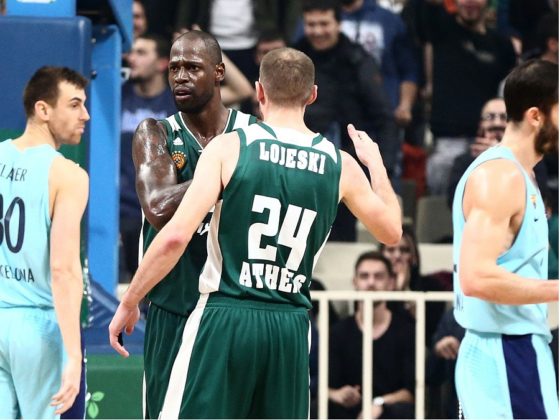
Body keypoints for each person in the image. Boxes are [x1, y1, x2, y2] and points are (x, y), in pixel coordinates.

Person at [109, 47, 402, 418]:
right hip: (290, 323)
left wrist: (130, 299)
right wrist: (376, 166)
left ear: (260, 91)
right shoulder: (338, 163)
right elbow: (391, 232)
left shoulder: (230, 147)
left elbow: (174, 236)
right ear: (312, 95)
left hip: (227, 313)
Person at [125, 30, 257, 419]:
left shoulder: (253, 134)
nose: (180, 77)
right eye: (175, 68)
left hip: (233, 308)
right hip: (174, 306)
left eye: (193, 68)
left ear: (219, 73)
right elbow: (157, 206)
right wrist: (225, 175)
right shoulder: (156, 132)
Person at [452, 59, 559, 419]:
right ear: (536, 116)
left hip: (510, 349)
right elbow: (477, 278)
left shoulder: (521, 174)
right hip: (507, 352)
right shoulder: (500, 177)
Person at [0, 67, 89, 418]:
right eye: (75, 104)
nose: (85, 115)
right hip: (38, 328)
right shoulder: (67, 175)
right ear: (43, 109)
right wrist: (73, 355)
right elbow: (63, 269)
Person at [294, 0, 399, 241]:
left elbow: (384, 117)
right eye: (311, 24)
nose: (317, 31)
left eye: (324, 23)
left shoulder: (358, 59)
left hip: (346, 168)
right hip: (298, 166)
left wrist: (384, 170)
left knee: (341, 240)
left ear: (338, 24)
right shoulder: (295, 57)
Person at [423, 0, 516, 195]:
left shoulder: (502, 44)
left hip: (491, 138)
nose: (469, 2)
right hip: (448, 139)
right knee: (441, 206)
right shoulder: (440, 27)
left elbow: (511, 92)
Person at [328, 252, 415, 419]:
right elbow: (325, 386)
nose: (371, 282)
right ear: (355, 282)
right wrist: (338, 394)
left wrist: (379, 403)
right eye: (364, 276)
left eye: (379, 276)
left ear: (391, 283)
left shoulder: (406, 331)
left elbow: (411, 392)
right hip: (348, 412)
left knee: (403, 412)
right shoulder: (338, 332)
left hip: (388, 410)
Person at [120, 33, 176, 282]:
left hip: (161, 209)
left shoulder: (177, 103)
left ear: (162, 63)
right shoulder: (116, 96)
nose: (132, 59)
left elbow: (241, 90)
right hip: (121, 207)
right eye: (132, 52)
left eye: (141, 53)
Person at [447, 97, 507, 208]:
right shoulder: (463, 161)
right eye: (489, 117)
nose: (497, 122)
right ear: (480, 124)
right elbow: (454, 201)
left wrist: (501, 156)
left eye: (504, 117)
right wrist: (484, 161)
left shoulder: (528, 160)